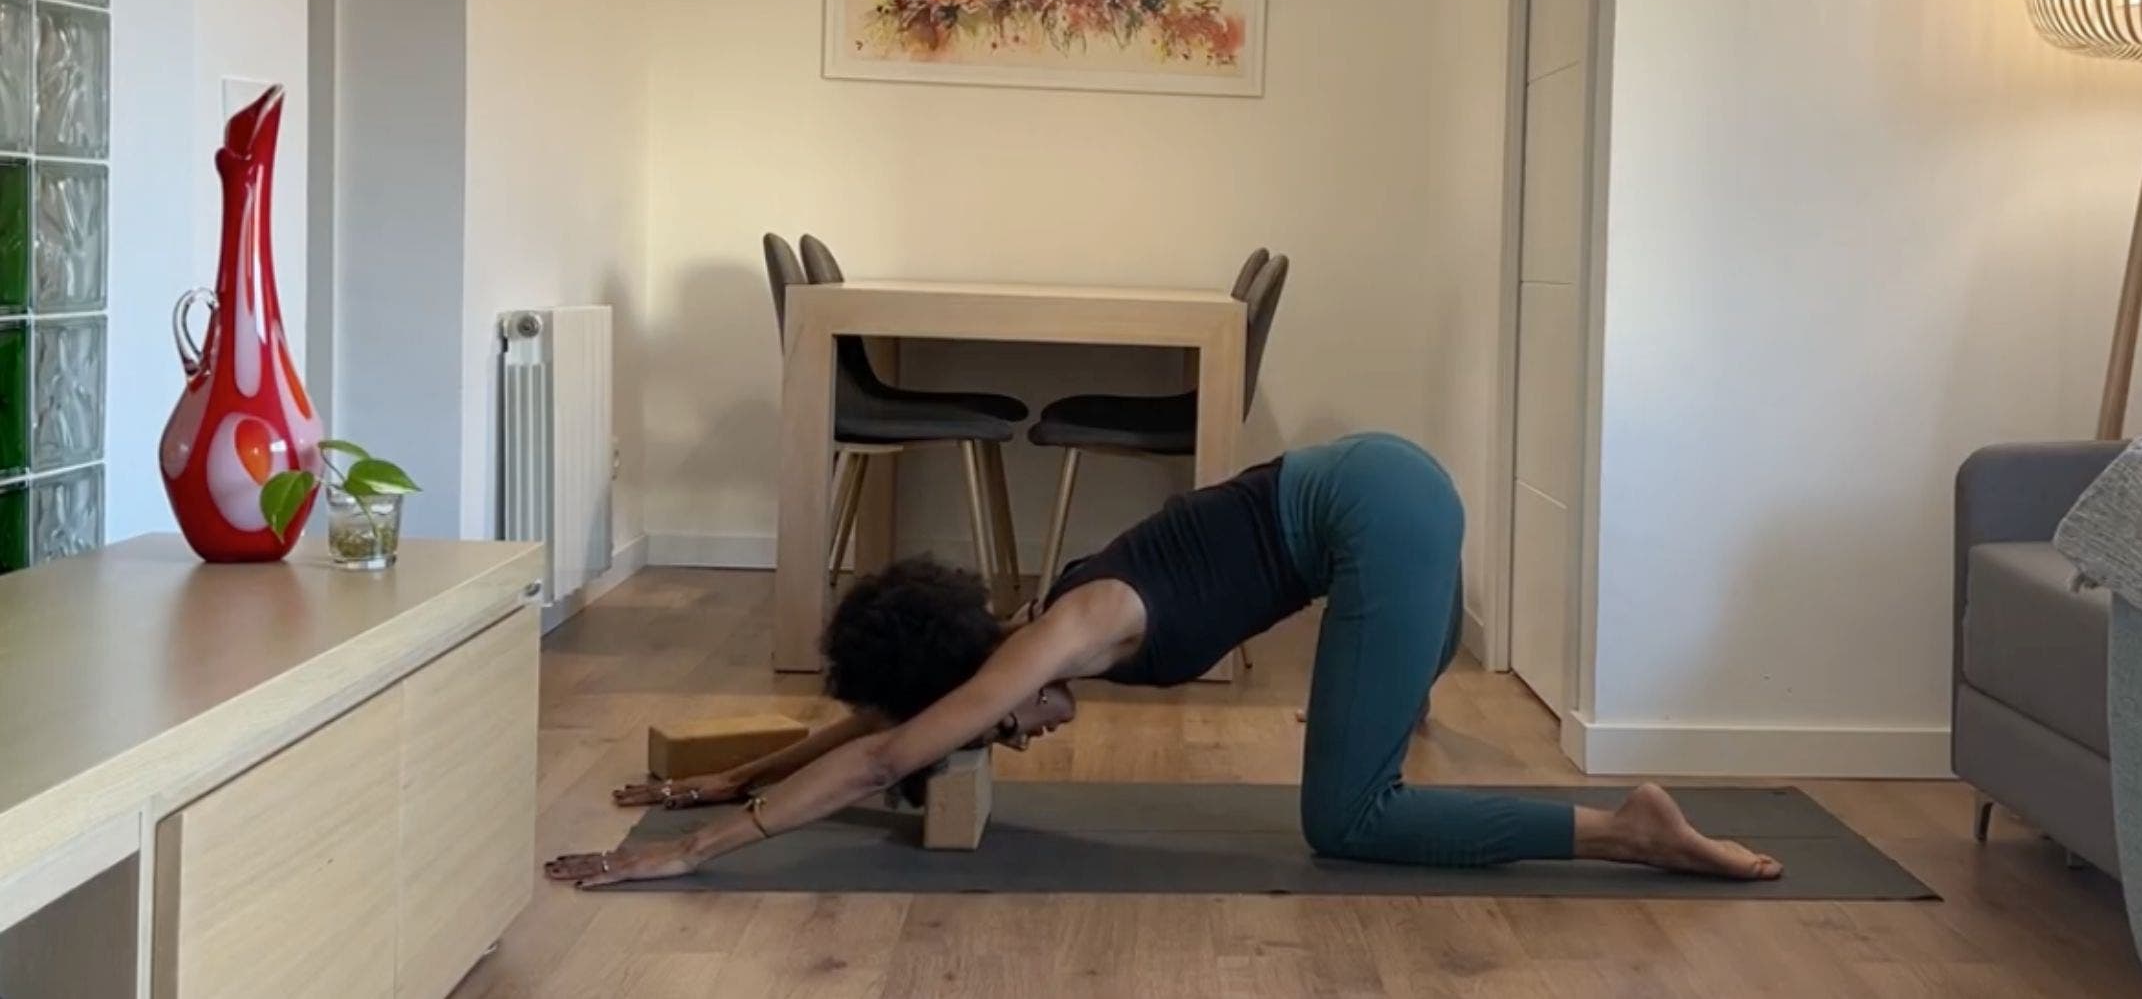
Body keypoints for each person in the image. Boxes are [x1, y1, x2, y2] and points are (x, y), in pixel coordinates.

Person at [544, 433, 1783, 885]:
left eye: (993, 723)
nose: (1010, 739)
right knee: (1371, 729)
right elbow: (879, 724)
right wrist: (707, 783)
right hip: (1366, 488)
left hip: (1375, 516)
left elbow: (891, 754)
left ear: (986, 687)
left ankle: (1627, 826)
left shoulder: (1065, 636)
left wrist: (694, 853)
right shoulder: (1034, 630)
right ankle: (1409, 705)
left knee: (1346, 821)